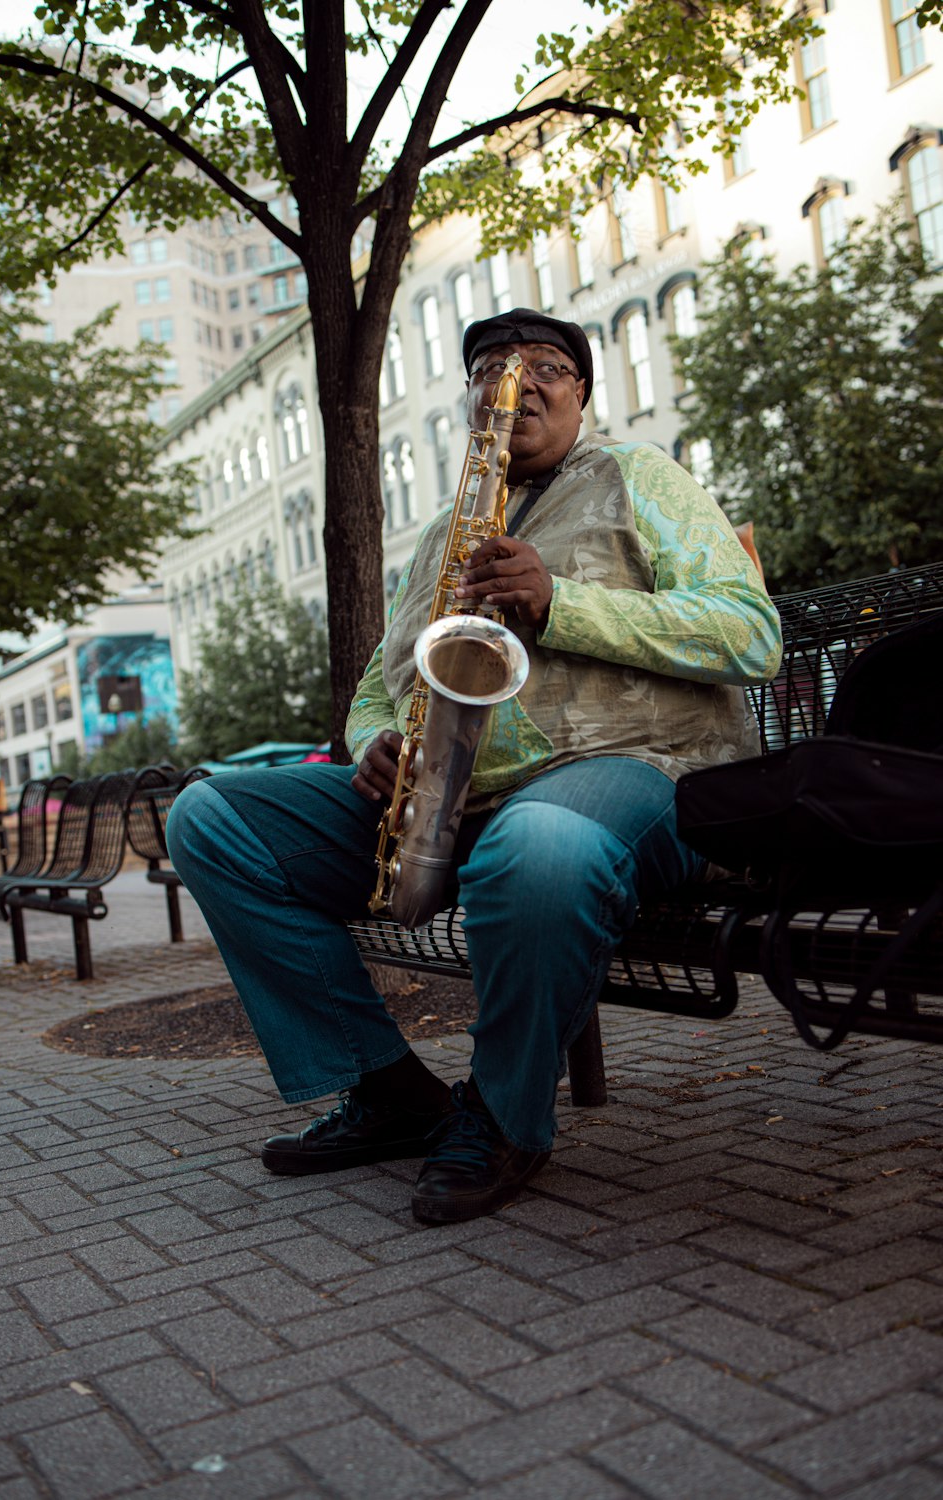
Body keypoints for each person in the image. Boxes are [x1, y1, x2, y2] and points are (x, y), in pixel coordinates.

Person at [167, 307, 782, 1226]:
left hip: (635, 770)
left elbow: (751, 634)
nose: (516, 380)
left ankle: (502, 1116)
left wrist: (560, 604)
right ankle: (389, 1092)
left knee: (536, 846)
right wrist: (374, 741)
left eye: (544, 365)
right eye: (492, 365)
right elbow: (384, 683)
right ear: (469, 403)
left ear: (580, 392)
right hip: (451, 799)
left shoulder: (638, 475)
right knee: (210, 819)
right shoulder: (440, 539)